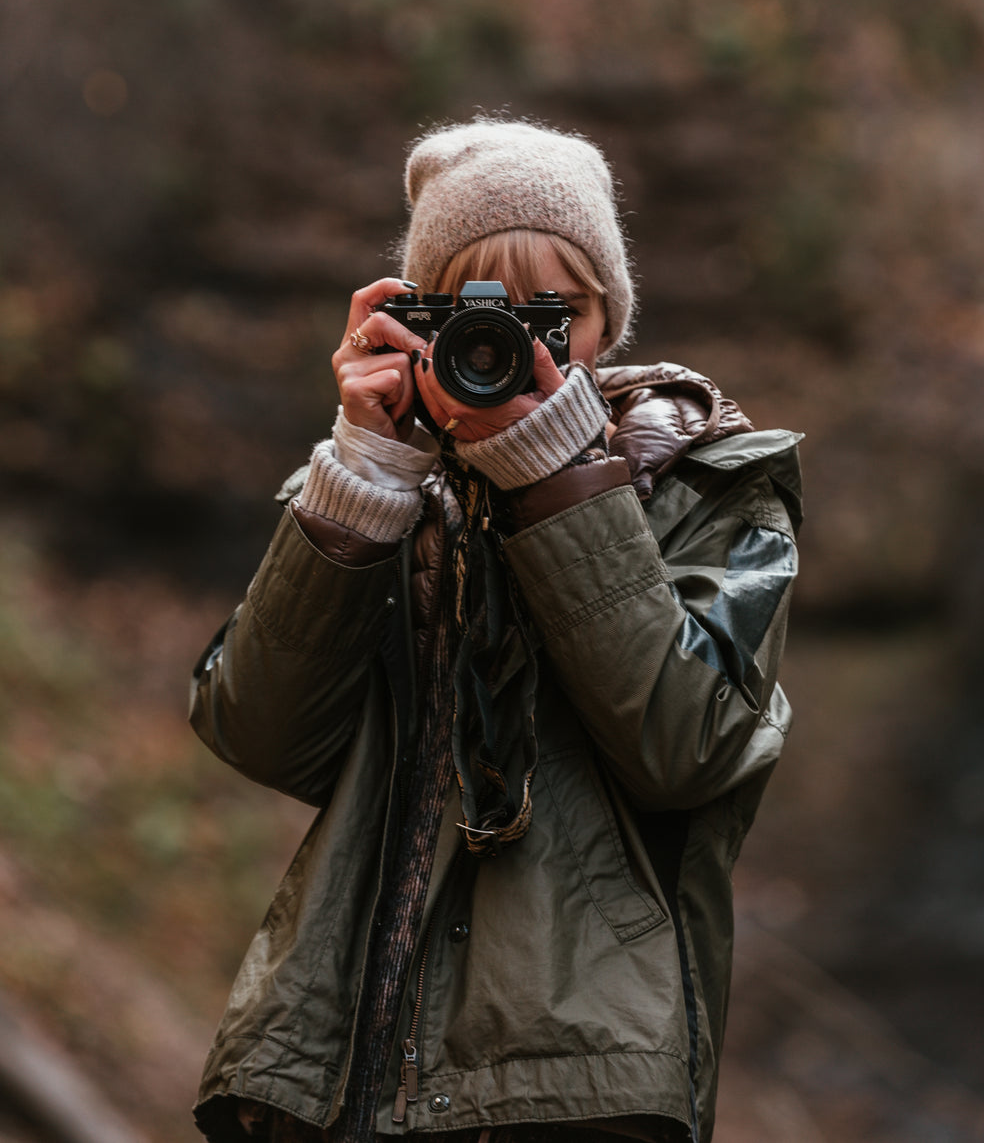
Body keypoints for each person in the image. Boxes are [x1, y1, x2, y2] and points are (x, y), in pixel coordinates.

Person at [189, 118, 803, 1143]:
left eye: (547, 311)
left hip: (574, 1091)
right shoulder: (376, 490)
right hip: (340, 1075)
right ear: (413, 323)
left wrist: (557, 483)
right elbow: (259, 735)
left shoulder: (707, 488)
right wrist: (361, 483)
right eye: (473, 313)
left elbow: (688, 750)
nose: (505, 342)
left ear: (606, 324)